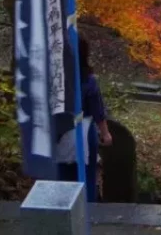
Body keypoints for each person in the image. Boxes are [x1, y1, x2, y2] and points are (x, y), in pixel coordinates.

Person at [56, 34, 112, 201]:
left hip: (59, 130)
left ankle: (65, 210)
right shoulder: (88, 80)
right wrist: (105, 133)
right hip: (84, 131)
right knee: (86, 178)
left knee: (63, 179)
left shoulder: (55, 78)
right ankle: (88, 210)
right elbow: (97, 110)